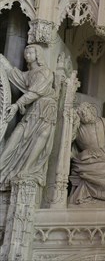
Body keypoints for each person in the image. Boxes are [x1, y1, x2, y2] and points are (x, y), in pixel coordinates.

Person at [0, 45, 57, 187]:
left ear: (38, 55)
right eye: (26, 52)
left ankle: (26, 170)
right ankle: (2, 168)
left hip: (45, 109)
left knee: (41, 136)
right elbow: (13, 74)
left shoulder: (45, 72)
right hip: (32, 110)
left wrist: (16, 105)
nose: (27, 55)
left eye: (30, 52)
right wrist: (2, 61)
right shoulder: (28, 74)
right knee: (16, 136)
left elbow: (36, 92)